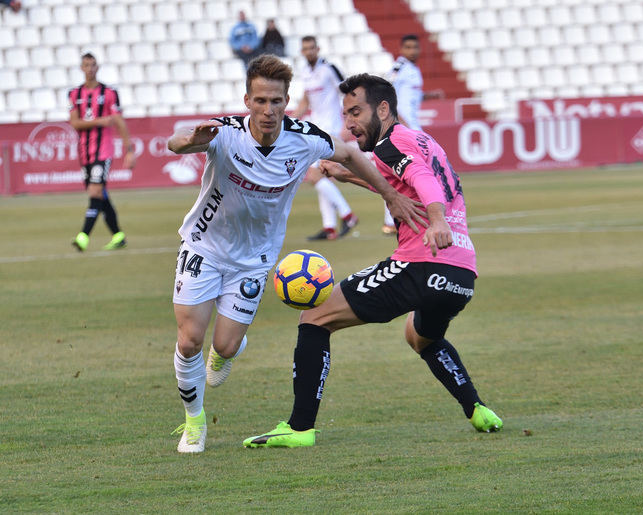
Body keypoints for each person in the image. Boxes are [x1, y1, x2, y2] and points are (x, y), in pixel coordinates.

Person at [165, 55, 423, 453]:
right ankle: (194, 422)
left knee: (227, 347)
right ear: (247, 100)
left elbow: (352, 155)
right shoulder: (224, 133)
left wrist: (389, 195)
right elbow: (176, 141)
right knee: (189, 341)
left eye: (276, 102)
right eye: (260, 101)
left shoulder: (305, 138)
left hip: (253, 260)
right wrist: (190, 139)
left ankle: (227, 350)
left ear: (287, 101)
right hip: (204, 246)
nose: (268, 110)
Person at [243, 74, 502, 449]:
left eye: (356, 112)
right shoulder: (421, 140)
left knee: (314, 318)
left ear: (383, 109)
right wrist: (346, 175)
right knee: (421, 337)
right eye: (346, 114)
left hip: (422, 262)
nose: (349, 123)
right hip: (461, 273)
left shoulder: (393, 142)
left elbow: (422, 179)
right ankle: (477, 409)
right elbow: (397, 180)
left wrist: (437, 220)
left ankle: (299, 429)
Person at [293, 36, 359, 241]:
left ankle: (347, 215)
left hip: (331, 128)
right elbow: (306, 99)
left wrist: (349, 120)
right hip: (315, 127)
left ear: (318, 49)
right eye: (305, 48)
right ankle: (330, 227)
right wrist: (290, 121)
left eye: (312, 48)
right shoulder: (305, 72)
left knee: (313, 174)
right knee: (321, 175)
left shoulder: (329, 68)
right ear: (302, 51)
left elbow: (348, 92)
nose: (309, 51)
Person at [69, 53, 135, 252]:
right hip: (84, 153)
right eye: (86, 65)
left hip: (103, 151)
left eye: (93, 65)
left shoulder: (109, 93)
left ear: (97, 67)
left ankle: (83, 236)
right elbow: (74, 123)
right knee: (100, 195)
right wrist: (100, 121)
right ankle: (118, 235)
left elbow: (119, 121)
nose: (90, 68)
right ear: (81, 68)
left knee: (95, 192)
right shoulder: (75, 94)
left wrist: (129, 150)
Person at [381, 34, 445, 235]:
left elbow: (409, 97)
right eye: (408, 47)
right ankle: (393, 221)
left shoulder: (414, 70)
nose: (412, 51)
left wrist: (428, 95)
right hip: (405, 129)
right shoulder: (398, 68)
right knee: (409, 173)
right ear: (402, 49)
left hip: (414, 128)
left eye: (415, 47)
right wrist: (400, 122)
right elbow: (385, 92)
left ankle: (398, 220)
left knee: (413, 174)